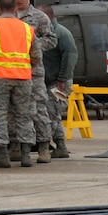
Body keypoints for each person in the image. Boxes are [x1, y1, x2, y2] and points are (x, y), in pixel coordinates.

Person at [0, 0, 37, 168]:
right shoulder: (27, 29)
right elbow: (36, 56)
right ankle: (26, 155)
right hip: (23, 78)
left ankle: (3, 154)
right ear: (15, 9)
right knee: (24, 115)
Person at [9, 0, 57, 163]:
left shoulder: (39, 17)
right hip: (12, 71)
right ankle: (15, 145)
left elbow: (52, 40)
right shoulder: (8, 17)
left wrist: (32, 46)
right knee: (13, 111)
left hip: (33, 71)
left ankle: (44, 146)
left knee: (38, 109)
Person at [41, 8, 77, 157]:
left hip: (59, 83)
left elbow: (70, 56)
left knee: (51, 113)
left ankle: (54, 145)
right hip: (49, 81)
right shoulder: (45, 33)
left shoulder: (61, 33)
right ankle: (59, 145)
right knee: (52, 113)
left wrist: (62, 79)